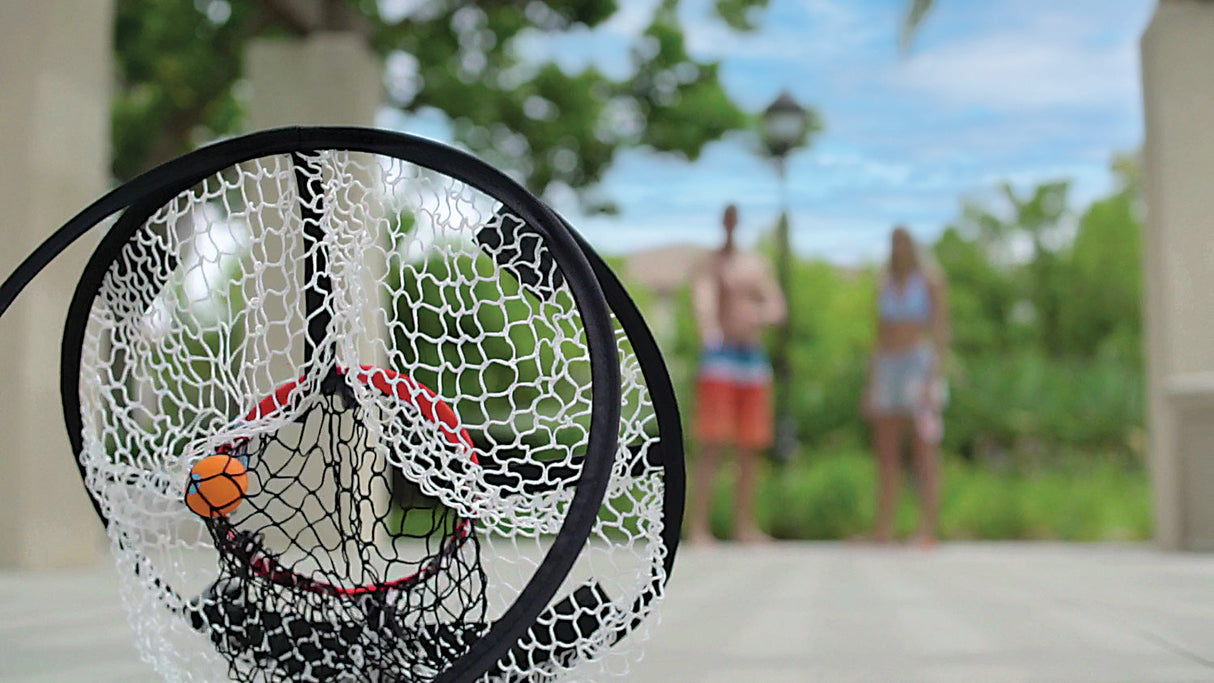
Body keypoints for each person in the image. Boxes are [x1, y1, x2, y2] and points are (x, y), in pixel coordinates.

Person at [688, 204, 786, 544]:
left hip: (752, 359)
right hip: (721, 357)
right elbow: (703, 299)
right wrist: (709, 328)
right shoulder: (711, 263)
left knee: (750, 446)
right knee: (712, 444)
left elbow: (776, 305)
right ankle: (699, 527)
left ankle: (744, 527)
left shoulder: (755, 264)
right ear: (722, 221)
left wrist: (760, 315)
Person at [862, 226, 950, 547]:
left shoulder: (930, 280)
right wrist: (871, 384)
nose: (899, 248)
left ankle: (926, 528)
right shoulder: (883, 282)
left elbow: (940, 332)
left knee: (924, 450)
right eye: (894, 242)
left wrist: (933, 378)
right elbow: (877, 335)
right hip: (888, 366)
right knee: (886, 452)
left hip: (918, 364)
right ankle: (883, 528)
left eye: (904, 241)